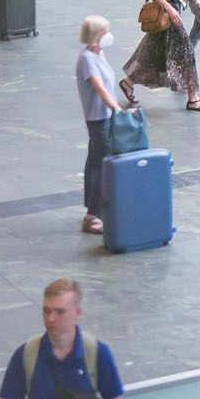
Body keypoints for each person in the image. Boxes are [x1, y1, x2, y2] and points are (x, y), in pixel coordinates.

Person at [0, 278, 125, 399]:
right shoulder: (25, 355)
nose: (50, 319)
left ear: (77, 313)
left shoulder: (98, 354)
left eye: (59, 312)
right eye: (46, 310)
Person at [76, 17, 124, 236]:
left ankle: (98, 206)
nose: (109, 37)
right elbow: (99, 87)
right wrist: (115, 106)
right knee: (99, 161)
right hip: (98, 117)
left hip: (106, 115)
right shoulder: (86, 59)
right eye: (105, 32)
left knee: (98, 159)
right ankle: (92, 214)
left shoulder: (99, 54)